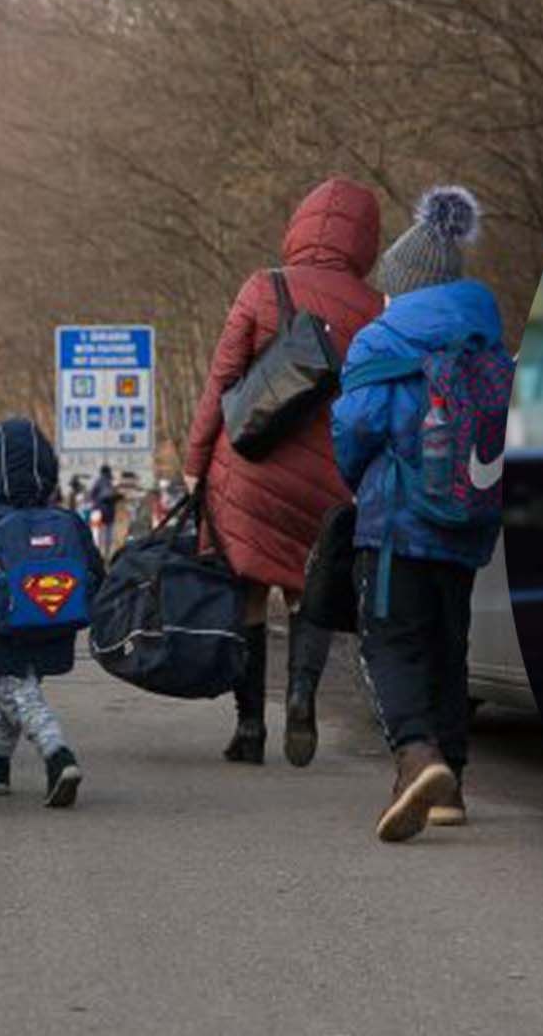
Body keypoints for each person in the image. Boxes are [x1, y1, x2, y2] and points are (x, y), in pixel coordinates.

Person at [182, 177, 385, 769]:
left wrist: (194, 463)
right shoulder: (377, 309)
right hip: (326, 480)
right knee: (306, 591)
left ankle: (250, 728)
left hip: (249, 467)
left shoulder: (263, 287)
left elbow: (221, 382)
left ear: (299, 226)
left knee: (249, 592)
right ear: (365, 240)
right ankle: (301, 697)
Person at [333, 185, 505, 842]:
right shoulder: (487, 339)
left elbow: (356, 428)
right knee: (447, 647)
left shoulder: (381, 340)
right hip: (466, 522)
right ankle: (451, 784)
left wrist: (357, 481)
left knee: (390, 642)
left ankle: (415, 756)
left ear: (402, 282)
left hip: (396, 523)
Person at [0, 418, 103, 808]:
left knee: (19, 693)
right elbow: (95, 574)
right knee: (16, 692)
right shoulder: (68, 523)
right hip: (55, 625)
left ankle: (58, 755)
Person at [87, 464, 119, 556]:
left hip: (98, 511)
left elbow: (92, 495)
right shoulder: (108, 482)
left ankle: (98, 555)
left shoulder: (98, 482)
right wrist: (116, 497)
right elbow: (108, 496)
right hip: (107, 512)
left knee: (97, 535)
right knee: (106, 536)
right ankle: (105, 555)